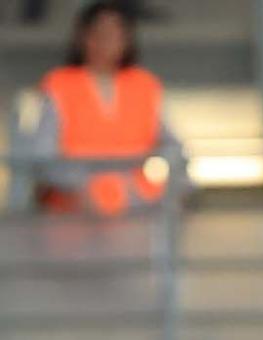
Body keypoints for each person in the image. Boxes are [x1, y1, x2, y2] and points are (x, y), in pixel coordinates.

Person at [33, 1, 175, 216]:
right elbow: (43, 155)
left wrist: (172, 190)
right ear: (84, 37)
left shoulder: (144, 85)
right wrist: (76, 190)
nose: (107, 41)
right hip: (74, 214)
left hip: (137, 210)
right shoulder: (59, 84)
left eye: (115, 33)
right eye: (99, 33)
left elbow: (171, 146)